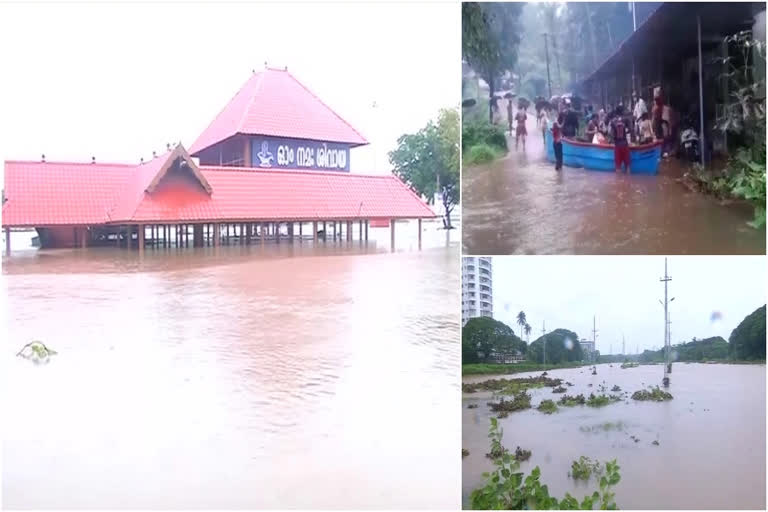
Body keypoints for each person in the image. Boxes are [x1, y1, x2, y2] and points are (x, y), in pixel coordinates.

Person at [610, 105, 631, 174]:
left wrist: (611, 141)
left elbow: (612, 135)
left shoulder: (613, 121)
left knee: (618, 167)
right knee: (627, 167)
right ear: (622, 111)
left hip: (617, 145)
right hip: (625, 144)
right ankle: (628, 182)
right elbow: (631, 130)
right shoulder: (626, 119)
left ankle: (618, 183)